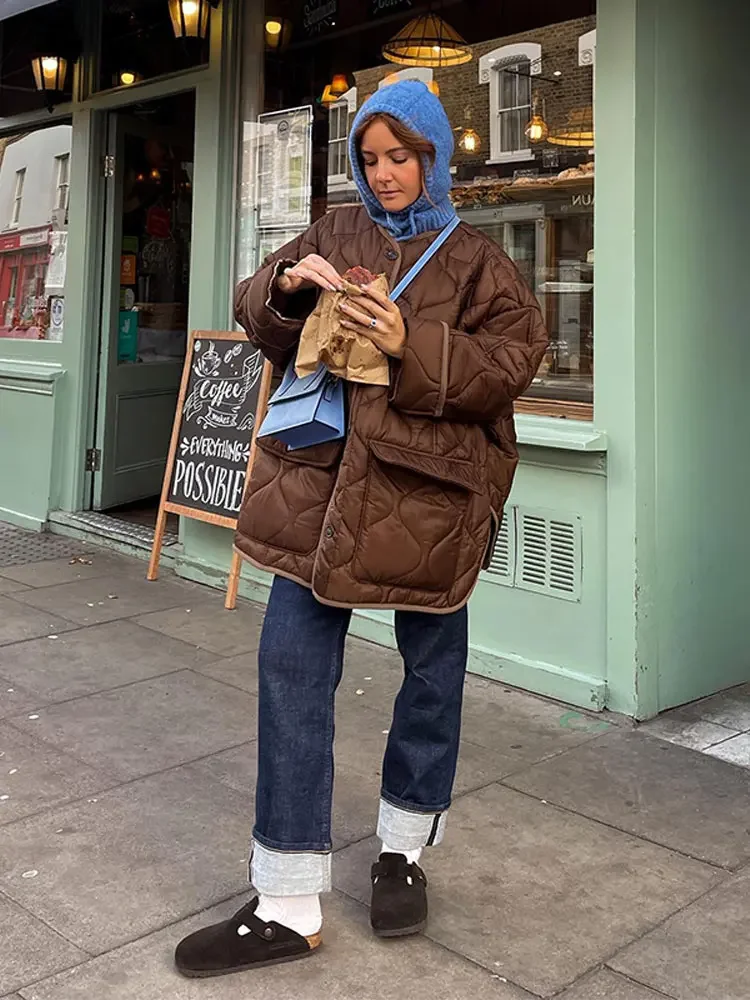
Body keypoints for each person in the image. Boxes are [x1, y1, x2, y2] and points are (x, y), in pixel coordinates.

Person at [175, 79, 548, 979]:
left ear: (433, 158)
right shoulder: (335, 229)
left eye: (401, 158)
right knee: (291, 668)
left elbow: (512, 363)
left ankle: (402, 852)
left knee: (432, 676)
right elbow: (253, 308)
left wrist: (404, 343)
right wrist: (287, 287)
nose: (384, 175)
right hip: (319, 492)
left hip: (428, 501)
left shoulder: (480, 258)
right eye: (371, 158)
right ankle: (287, 898)